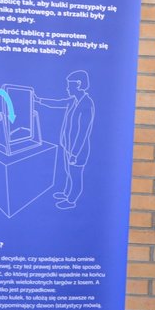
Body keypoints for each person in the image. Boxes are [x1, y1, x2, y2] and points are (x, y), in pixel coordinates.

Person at [36, 69, 96, 209]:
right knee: (69, 172)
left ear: (79, 84)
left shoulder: (86, 104)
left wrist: (74, 154)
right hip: (68, 147)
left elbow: (83, 133)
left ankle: (71, 200)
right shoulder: (73, 101)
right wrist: (38, 100)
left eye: (70, 85)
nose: (67, 88)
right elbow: (57, 103)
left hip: (78, 151)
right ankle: (66, 193)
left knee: (75, 175)